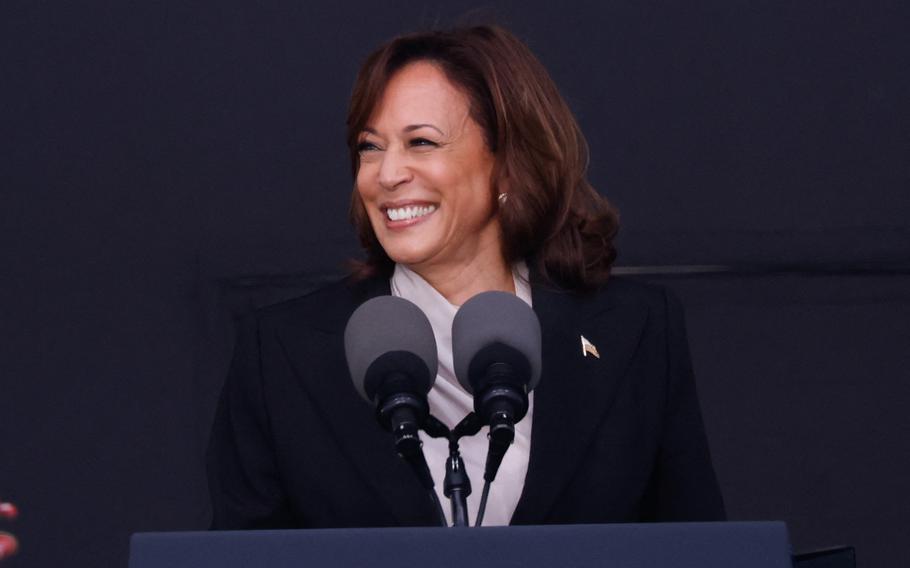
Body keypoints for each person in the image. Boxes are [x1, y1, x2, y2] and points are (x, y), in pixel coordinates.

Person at [207, 24, 724, 529]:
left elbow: (701, 548)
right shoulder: (280, 352)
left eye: (422, 143)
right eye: (370, 146)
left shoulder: (636, 329)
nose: (386, 175)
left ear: (507, 164)